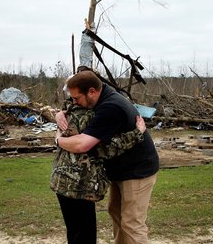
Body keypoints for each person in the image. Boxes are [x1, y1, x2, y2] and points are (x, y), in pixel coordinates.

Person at [55, 70, 159, 244]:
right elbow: (71, 106)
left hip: (138, 170)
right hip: (119, 168)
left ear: (92, 92)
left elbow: (83, 145)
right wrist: (60, 113)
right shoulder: (98, 94)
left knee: (132, 223)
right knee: (116, 213)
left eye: (76, 99)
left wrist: (58, 140)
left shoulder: (111, 107)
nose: (73, 103)